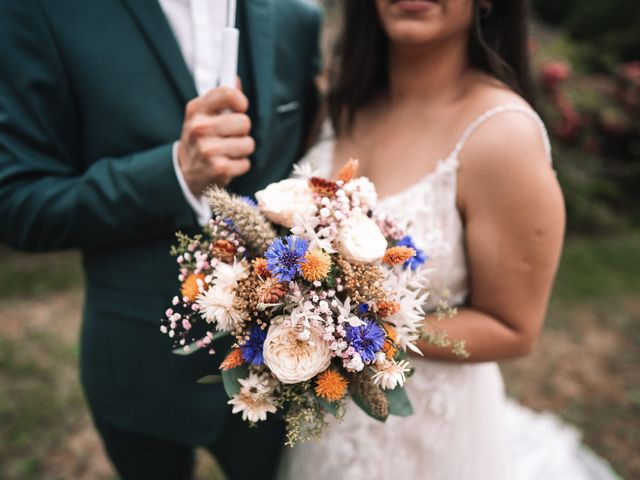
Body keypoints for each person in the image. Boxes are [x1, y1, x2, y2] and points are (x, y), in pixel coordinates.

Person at [280, 0, 619, 479]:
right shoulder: (342, 107)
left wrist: (353, 332)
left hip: (429, 440)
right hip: (327, 427)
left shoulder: (502, 134)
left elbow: (513, 326)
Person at [0, 1, 321, 479]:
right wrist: (172, 173)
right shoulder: (41, 12)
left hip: (287, 366)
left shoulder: (298, 15)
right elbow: (18, 203)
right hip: (136, 369)